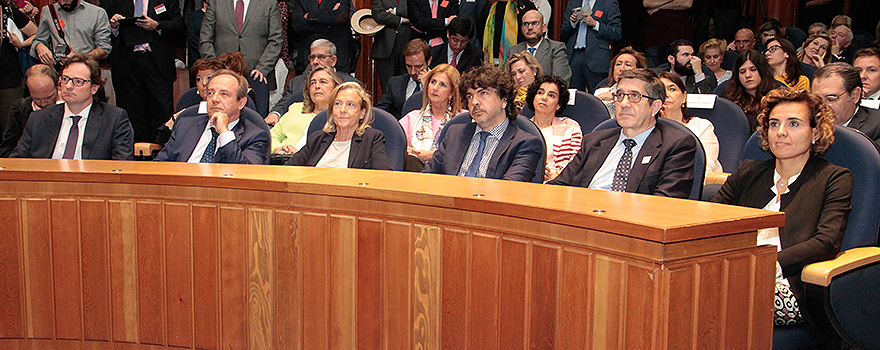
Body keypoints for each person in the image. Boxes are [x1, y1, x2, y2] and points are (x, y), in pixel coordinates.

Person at [712, 88, 852, 326]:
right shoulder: (748, 171)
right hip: (734, 273)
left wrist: (764, 266)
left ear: (815, 132)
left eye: (794, 124)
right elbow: (710, 221)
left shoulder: (834, 178)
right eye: (774, 124)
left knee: (708, 303)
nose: (781, 132)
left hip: (793, 284)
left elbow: (826, 242)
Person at [547, 68, 696, 198]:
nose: (624, 104)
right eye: (620, 95)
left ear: (655, 106)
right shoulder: (594, 141)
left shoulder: (676, 145)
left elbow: (664, 204)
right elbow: (559, 187)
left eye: (635, 96)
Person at [422, 64, 543, 181]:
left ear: (504, 100)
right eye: (470, 96)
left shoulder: (525, 144)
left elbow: (509, 191)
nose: (474, 102)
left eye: (483, 93)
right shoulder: (455, 133)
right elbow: (426, 178)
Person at [11, 54, 133, 160]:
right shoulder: (39, 118)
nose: (69, 86)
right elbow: (16, 162)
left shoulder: (113, 119)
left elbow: (121, 166)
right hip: (46, 184)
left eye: (78, 81)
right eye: (65, 79)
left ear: (94, 88)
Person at [106, 0, 184, 143]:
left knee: (162, 113)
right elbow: (104, 33)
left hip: (156, 64)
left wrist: (157, 26)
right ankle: (137, 157)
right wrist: (114, 27)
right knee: (133, 116)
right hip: (128, 65)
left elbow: (179, 26)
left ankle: (164, 155)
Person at [154, 70, 270, 164]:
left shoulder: (255, 136)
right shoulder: (185, 126)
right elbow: (159, 166)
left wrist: (224, 133)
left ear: (241, 103)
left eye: (224, 94)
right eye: (210, 93)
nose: (214, 99)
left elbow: (246, 176)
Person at [285, 82, 392, 169]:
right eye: (338, 104)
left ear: (362, 113)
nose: (342, 110)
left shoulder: (372, 139)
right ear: (331, 110)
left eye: (350, 105)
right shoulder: (317, 139)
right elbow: (288, 170)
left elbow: (383, 176)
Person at [266, 39, 362, 125]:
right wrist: (275, 113)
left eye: (321, 57)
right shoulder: (296, 82)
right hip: (299, 126)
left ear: (333, 60)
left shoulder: (349, 83)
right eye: (312, 57)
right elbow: (285, 102)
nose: (315, 61)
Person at [199, 0, 282, 89]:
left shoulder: (269, 3)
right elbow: (205, 39)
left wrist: (262, 69)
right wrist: (215, 68)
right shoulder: (216, 2)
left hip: (256, 76)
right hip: (222, 76)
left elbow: (276, 40)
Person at [399, 64, 462, 170]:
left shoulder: (462, 120)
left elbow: (463, 153)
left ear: (451, 93)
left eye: (443, 85)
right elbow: (395, 145)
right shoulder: (411, 118)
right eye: (433, 82)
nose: (435, 88)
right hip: (415, 172)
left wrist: (432, 155)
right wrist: (407, 152)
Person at [658, 71, 722, 173]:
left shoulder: (702, 127)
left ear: (684, 97)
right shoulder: (647, 128)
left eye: (672, 89)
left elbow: (706, 167)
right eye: (660, 90)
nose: (666, 94)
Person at [272, 65, 341, 154]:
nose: (317, 86)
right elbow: (272, 135)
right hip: (282, 160)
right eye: (312, 83)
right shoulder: (296, 108)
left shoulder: (341, 115)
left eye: (323, 82)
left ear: (336, 88)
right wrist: (277, 149)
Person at [526, 75, 580, 181]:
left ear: (558, 105)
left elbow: (578, 161)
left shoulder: (570, 127)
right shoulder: (522, 127)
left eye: (551, 95)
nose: (544, 97)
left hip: (559, 183)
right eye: (540, 93)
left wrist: (557, 175)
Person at [812, 62, 880, 143]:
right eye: (817, 99)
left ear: (855, 95)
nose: (822, 106)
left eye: (831, 99)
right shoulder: (809, 122)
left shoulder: (876, 125)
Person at [0, 64, 59, 157]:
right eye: (36, 98)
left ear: (58, 86)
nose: (43, 103)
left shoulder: (70, 107)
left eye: (48, 97)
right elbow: (7, 147)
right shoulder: (21, 109)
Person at [561, 0, 621, 92]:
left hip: (597, 57)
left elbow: (616, 32)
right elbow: (563, 33)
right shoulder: (573, 2)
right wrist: (572, 22)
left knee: (598, 94)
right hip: (574, 56)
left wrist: (595, 24)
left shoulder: (609, 2)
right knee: (574, 94)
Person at [30, 0, 111, 66]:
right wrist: (39, 46)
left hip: (86, 70)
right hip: (59, 72)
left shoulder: (97, 13)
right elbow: (38, 40)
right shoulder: (48, 11)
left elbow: (104, 50)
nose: (62, 3)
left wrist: (79, 57)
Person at [0, 0, 37, 132]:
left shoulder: (8, 12)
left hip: (9, 80)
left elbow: (36, 33)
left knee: (9, 129)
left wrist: (21, 44)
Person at [506, 9, 571, 83]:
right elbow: (506, 83)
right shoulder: (512, 51)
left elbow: (561, 81)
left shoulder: (556, 49)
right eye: (526, 24)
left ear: (543, 28)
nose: (530, 27)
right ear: (522, 29)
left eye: (534, 23)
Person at [288, 0, 351, 74]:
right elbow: (297, 24)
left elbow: (341, 17)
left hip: (337, 60)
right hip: (307, 59)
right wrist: (329, 26)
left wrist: (310, 16)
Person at [377, 39, 432, 119]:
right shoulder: (395, 83)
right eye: (409, 66)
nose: (413, 72)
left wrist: (427, 87)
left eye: (418, 66)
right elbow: (379, 112)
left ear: (429, 61)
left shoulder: (440, 83)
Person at [725, 50, 778, 132]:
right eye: (742, 72)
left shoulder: (776, 99)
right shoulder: (731, 102)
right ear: (738, 77)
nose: (748, 75)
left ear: (762, 72)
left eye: (753, 70)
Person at [594, 47, 646, 118]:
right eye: (618, 64)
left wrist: (615, 96)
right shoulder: (600, 92)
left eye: (628, 65)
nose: (621, 69)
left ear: (638, 70)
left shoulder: (643, 95)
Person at [372, 0, 413, 89]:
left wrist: (394, 11)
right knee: (387, 87)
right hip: (385, 47)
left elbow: (414, 11)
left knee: (406, 86)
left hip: (407, 45)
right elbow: (378, 15)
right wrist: (401, 20)